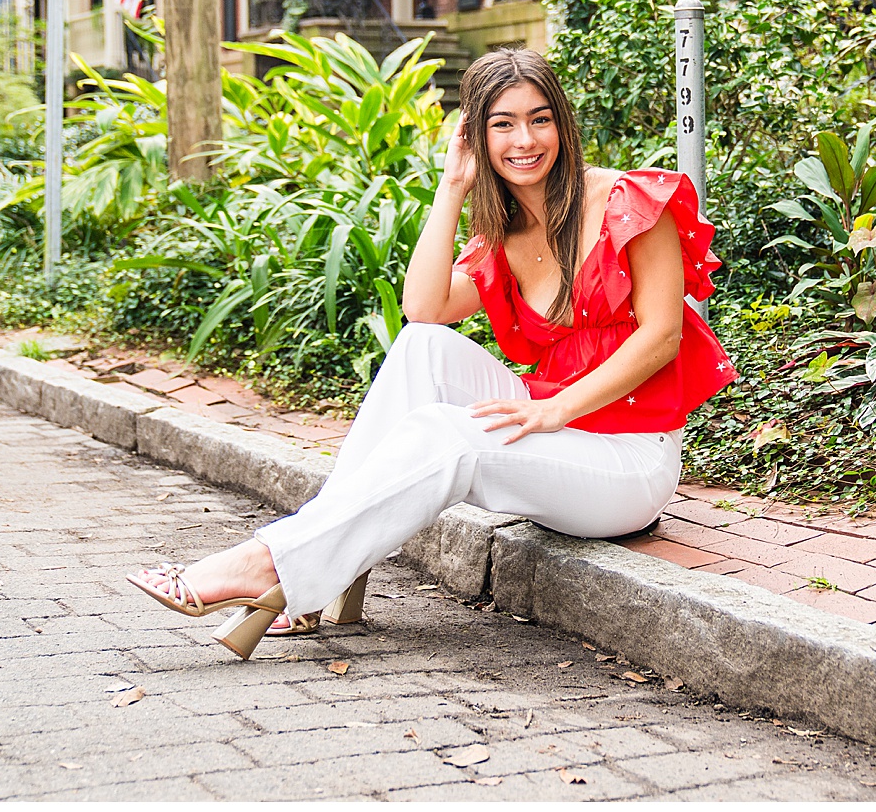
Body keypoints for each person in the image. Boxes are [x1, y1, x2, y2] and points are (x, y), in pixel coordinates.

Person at [127, 48, 735, 658]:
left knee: (452, 433)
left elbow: (661, 337)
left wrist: (554, 411)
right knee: (423, 347)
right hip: (551, 431)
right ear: (477, 135)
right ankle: (319, 572)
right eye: (503, 123)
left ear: (563, 125)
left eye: (540, 118)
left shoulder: (629, 203)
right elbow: (423, 309)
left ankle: (267, 567)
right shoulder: (506, 237)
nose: (525, 139)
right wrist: (452, 187)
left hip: (626, 464)